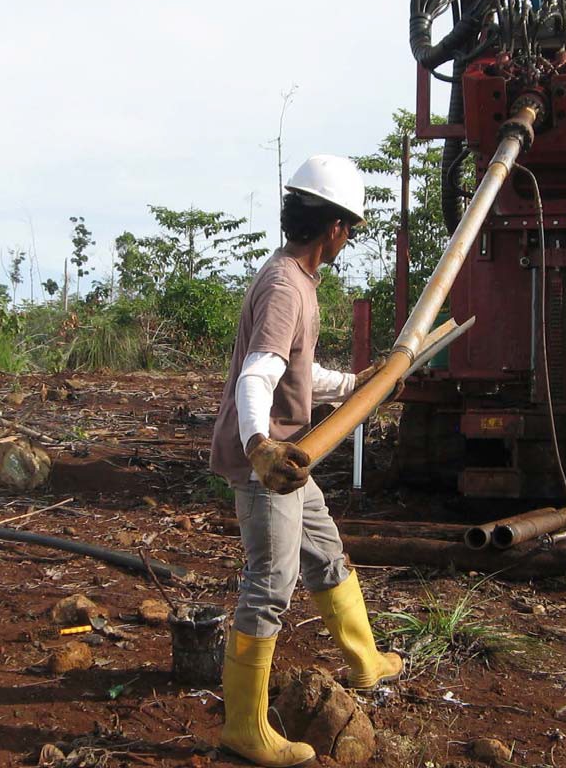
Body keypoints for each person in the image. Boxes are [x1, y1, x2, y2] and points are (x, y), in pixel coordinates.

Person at [210, 154, 403, 768]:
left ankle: (365, 662)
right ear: (337, 228)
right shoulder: (284, 286)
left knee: (324, 553)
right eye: (351, 230)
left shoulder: (296, 280)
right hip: (272, 464)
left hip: (295, 460)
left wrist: (354, 383)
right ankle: (244, 729)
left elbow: (296, 373)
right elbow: (258, 375)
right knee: (269, 586)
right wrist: (258, 447)